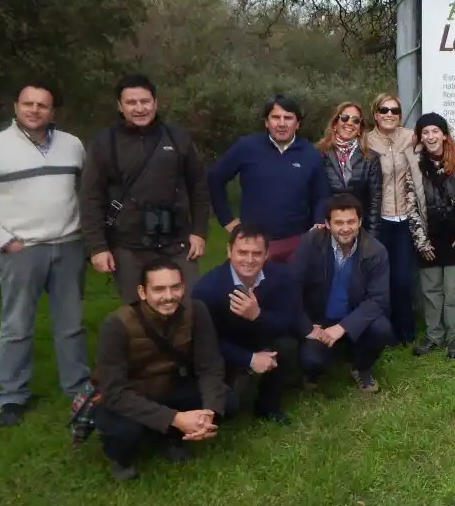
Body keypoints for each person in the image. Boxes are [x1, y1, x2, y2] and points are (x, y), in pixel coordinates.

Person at [0, 83, 90, 426]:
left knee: (71, 324)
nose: (35, 110)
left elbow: (87, 193)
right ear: (16, 106)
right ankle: (12, 396)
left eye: (43, 105)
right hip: (21, 251)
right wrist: (4, 240)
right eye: (28, 104)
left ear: (53, 111)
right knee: (16, 326)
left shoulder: (72, 146)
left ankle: (77, 386)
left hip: (68, 245)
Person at [91, 260, 233, 480]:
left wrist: (209, 413)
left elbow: (210, 365)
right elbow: (113, 392)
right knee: (124, 433)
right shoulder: (116, 325)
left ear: (183, 287)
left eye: (175, 287)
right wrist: (176, 418)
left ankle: (168, 435)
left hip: (169, 385)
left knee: (227, 401)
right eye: (158, 289)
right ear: (142, 292)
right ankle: (123, 458)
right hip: (128, 395)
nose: (169, 296)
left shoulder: (197, 311)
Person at [80, 73, 211, 303]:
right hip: (128, 246)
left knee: (192, 306)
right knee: (139, 315)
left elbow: (198, 187)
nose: (139, 108)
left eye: (145, 101)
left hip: (177, 242)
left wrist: (199, 232)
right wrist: (97, 247)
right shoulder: (104, 142)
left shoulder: (178, 138)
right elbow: (91, 198)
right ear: (120, 107)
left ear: (155, 103)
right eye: (131, 103)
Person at [192, 223, 300, 423]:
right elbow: (207, 343)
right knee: (228, 407)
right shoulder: (206, 290)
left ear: (267, 254)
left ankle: (268, 406)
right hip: (224, 349)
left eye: (256, 253)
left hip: (262, 337)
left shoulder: (284, 277)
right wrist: (249, 359)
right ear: (229, 251)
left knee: (287, 345)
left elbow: (287, 322)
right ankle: (237, 380)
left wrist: (257, 315)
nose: (249, 260)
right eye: (242, 252)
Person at [208, 94, 330, 263]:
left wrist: (318, 223)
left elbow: (321, 195)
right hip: (252, 243)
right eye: (275, 117)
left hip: (295, 244)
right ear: (266, 122)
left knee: (293, 289)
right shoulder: (246, 147)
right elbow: (215, 178)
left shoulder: (311, 154)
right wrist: (227, 220)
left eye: (288, 118)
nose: (281, 123)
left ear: (298, 123)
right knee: (247, 290)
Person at [289, 193, 393, 393]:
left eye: (351, 221)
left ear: (360, 221)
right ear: (327, 223)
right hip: (319, 320)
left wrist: (343, 327)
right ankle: (314, 371)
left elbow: (379, 300)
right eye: (339, 222)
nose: (346, 228)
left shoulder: (375, 251)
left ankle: (361, 367)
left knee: (382, 329)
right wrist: (306, 326)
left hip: (354, 318)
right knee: (310, 361)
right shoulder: (311, 242)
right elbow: (292, 285)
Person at [405, 112, 455, 360]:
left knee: (454, 289)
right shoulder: (414, 163)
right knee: (430, 289)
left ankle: (454, 336)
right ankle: (433, 334)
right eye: (425, 132)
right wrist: (420, 240)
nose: (430, 136)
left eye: (435, 131)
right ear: (420, 136)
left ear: (444, 134)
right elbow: (412, 204)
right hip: (429, 235)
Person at [365, 92, 419, 345]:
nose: (389, 115)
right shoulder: (365, 142)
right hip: (379, 219)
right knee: (378, 278)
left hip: (405, 219)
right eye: (384, 110)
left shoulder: (411, 137)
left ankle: (405, 331)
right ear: (375, 114)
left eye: (394, 111)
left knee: (403, 278)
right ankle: (381, 331)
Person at [318, 101, 383, 234]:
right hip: (327, 230)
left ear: (360, 129)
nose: (350, 123)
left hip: (359, 230)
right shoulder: (319, 153)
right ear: (335, 124)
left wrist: (372, 236)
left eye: (356, 120)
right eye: (345, 118)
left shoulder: (371, 158)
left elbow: (374, 202)